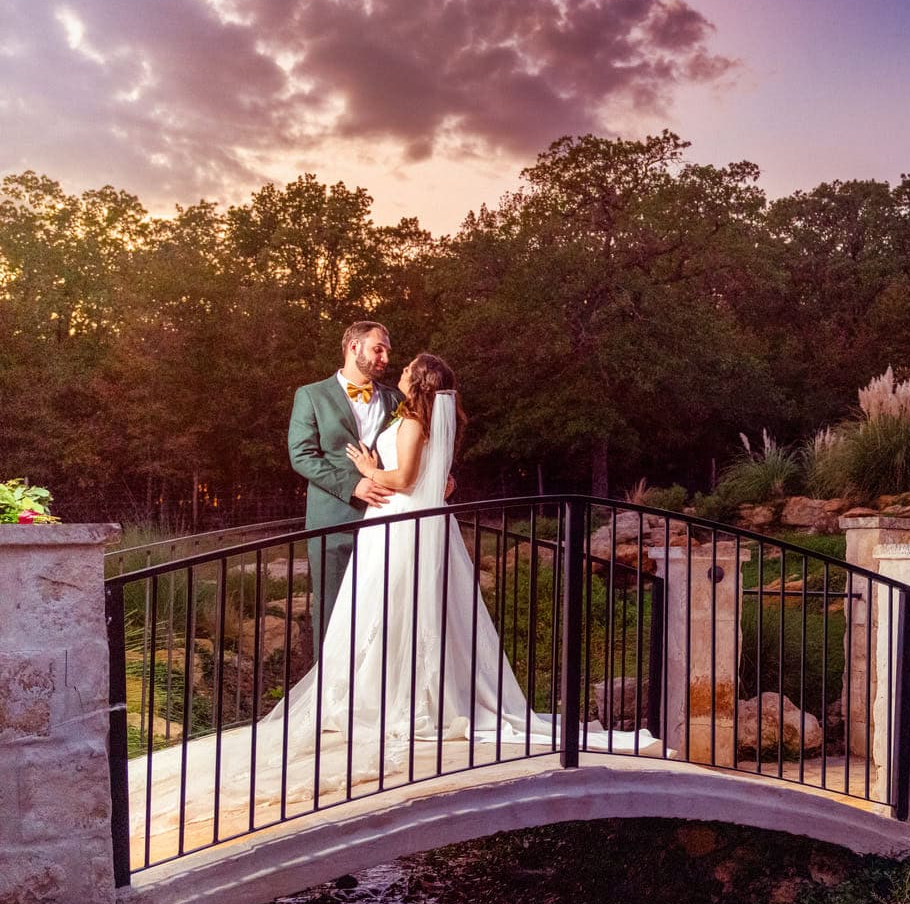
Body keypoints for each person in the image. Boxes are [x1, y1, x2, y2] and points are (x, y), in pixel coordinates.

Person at [132, 354, 659, 849]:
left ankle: (398, 699)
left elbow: (405, 479)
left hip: (399, 523)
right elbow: (419, 473)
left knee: (392, 612)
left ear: (420, 381)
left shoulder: (410, 418)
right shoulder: (409, 414)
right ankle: (396, 692)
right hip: (401, 525)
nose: (398, 366)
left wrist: (367, 469)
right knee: (390, 614)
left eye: (406, 366)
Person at [288, 320, 402, 644]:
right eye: (378, 349)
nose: (385, 358)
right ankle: (330, 692)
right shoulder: (311, 395)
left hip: (387, 520)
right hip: (332, 525)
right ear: (355, 347)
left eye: (387, 352)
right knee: (333, 614)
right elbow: (302, 456)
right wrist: (353, 486)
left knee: (384, 614)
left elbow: (412, 447)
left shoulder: (395, 399)